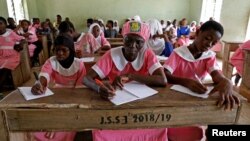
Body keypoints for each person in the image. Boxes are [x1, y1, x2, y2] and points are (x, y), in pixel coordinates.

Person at [83, 21, 167, 141]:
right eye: (128, 40)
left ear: (144, 43)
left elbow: (162, 80)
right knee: (103, 129)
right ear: (123, 38)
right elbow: (86, 78)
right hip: (116, 104)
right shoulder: (112, 55)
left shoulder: (147, 54)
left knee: (158, 127)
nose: (132, 46)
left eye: (139, 42)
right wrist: (99, 88)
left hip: (142, 105)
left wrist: (131, 76)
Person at [163, 20, 240, 141]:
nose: (209, 44)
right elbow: (165, 75)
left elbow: (216, 76)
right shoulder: (178, 53)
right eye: (207, 38)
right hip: (174, 98)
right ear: (198, 32)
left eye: (213, 43)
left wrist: (227, 82)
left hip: (194, 98)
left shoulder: (208, 56)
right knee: (181, 133)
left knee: (217, 118)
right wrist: (186, 82)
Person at [30, 35, 86, 141]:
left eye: (64, 50)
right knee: (45, 121)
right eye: (57, 50)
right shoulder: (51, 61)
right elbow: (44, 75)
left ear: (71, 50)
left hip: (75, 97)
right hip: (57, 94)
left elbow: (80, 89)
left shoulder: (79, 64)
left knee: (63, 123)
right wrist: (39, 84)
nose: (60, 53)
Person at [0, 17, 26, 92]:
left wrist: (20, 44)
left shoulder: (11, 33)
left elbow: (22, 38)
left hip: (12, 57)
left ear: (5, 25)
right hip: (1, 57)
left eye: (1, 24)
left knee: (5, 69)